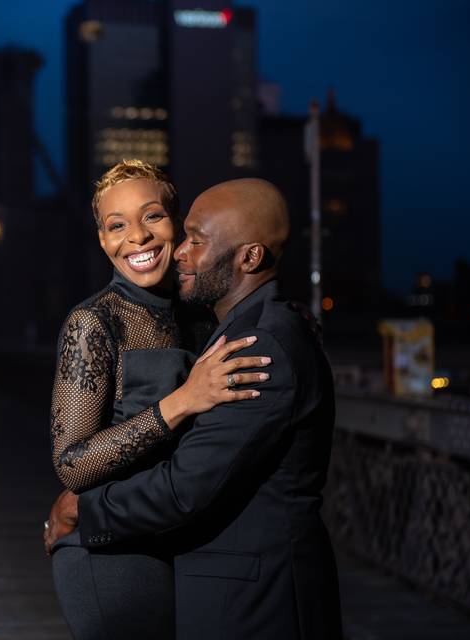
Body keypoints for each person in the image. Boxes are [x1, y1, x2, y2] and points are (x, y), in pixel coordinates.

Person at [45, 178, 343, 640]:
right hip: (119, 551)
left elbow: (190, 482)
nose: (141, 237)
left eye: (156, 218)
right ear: (101, 238)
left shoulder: (215, 319)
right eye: (116, 224)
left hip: (185, 545)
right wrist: (179, 403)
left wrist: (289, 314)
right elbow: (72, 464)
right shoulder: (95, 321)